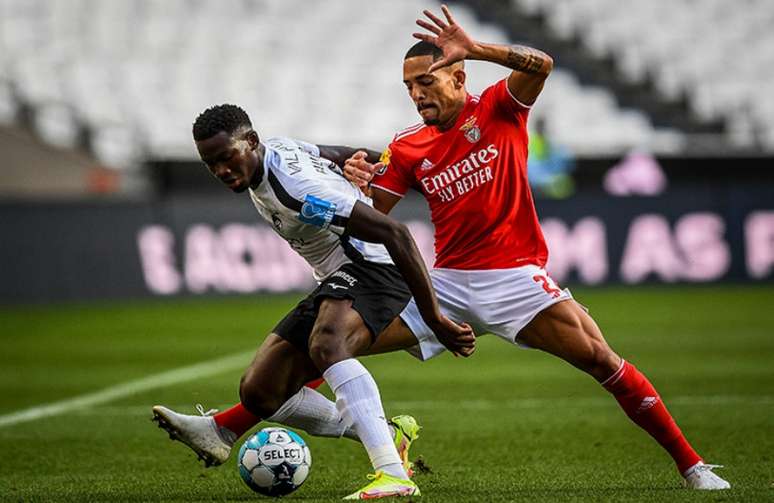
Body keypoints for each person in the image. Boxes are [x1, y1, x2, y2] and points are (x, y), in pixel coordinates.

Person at [339, 4, 730, 491]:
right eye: (410, 87)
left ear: (459, 78)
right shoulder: (406, 147)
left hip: (514, 276)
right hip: (447, 284)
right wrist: (353, 183)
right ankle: (231, 425)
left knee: (602, 360)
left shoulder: (500, 107)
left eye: (427, 81)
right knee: (334, 341)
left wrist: (479, 48)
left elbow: (541, 63)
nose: (418, 94)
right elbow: (371, 217)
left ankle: (693, 468)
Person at [152, 104, 474, 499]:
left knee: (328, 343)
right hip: (337, 278)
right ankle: (387, 435)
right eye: (210, 163)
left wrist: (435, 318)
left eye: (226, 158)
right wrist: (367, 165)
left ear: (251, 142)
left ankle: (392, 475)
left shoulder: (295, 189)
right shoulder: (280, 150)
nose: (221, 170)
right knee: (260, 392)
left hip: (375, 267)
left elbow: (397, 234)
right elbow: (338, 154)